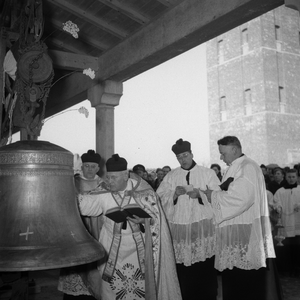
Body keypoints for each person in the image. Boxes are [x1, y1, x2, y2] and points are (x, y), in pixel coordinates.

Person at [78, 154, 182, 300]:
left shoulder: (145, 193)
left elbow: (157, 222)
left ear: (125, 176)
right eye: (108, 177)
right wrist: (71, 197)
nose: (109, 181)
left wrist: (144, 221)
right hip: (110, 251)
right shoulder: (102, 192)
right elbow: (86, 206)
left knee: (139, 292)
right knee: (111, 293)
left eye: (113, 177)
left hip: (138, 253)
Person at [203, 136, 282, 300]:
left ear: (234, 149)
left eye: (223, 153)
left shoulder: (248, 167)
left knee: (245, 286)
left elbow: (242, 198)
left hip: (244, 237)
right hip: (236, 236)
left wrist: (214, 195)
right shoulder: (236, 167)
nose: (220, 157)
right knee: (235, 284)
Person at [156, 138, 221, 300]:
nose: (182, 160)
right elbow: (159, 198)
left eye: (185, 155)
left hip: (203, 229)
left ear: (191, 154)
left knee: (205, 269)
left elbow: (219, 197)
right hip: (180, 230)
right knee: (184, 272)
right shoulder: (171, 176)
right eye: (179, 157)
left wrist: (200, 194)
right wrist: (174, 194)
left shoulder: (208, 173)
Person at [58, 150, 104, 299]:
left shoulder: (104, 184)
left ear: (98, 168)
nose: (89, 169)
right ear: (81, 166)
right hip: (76, 228)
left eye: (93, 166)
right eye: (86, 166)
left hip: (98, 229)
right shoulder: (73, 181)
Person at [273, 168, 300, 276]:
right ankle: (287, 270)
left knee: (298, 247)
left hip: (298, 221)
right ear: (285, 177)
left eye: (293, 177)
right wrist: (277, 207)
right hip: (286, 221)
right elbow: (275, 202)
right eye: (289, 177)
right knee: (287, 247)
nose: (291, 179)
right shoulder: (280, 191)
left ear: (297, 177)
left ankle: (298, 269)